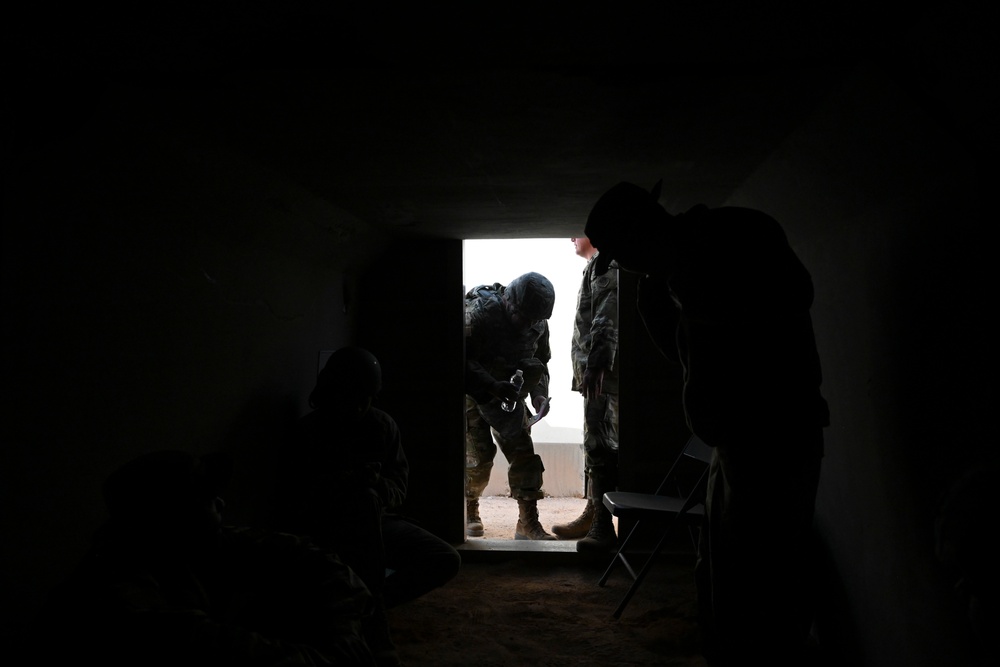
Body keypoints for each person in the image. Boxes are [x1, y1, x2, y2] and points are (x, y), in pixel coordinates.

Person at [585, 181, 830, 666]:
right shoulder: (682, 266)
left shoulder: (726, 240)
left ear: (638, 236)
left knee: (762, 580)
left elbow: (792, 296)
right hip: (738, 442)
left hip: (771, 439)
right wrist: (659, 306)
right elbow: (689, 360)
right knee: (723, 574)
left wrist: (687, 294)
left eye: (622, 253)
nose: (627, 267)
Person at [29, 449, 377, 667]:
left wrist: (344, 634)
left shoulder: (186, 543)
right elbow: (213, 646)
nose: (222, 504)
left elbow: (314, 559)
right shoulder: (118, 592)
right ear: (173, 517)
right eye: (208, 500)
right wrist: (335, 656)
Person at [276, 346, 461, 667]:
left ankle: (360, 607)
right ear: (334, 392)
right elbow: (296, 498)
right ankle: (369, 619)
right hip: (325, 529)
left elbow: (398, 486)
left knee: (445, 559)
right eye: (354, 397)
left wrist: (376, 488)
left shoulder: (381, 427)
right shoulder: (308, 433)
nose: (362, 406)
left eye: (368, 398)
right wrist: (347, 485)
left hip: (378, 522)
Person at [464, 271, 556, 540]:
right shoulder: (479, 313)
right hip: (475, 394)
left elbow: (540, 360)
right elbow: (461, 360)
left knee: (525, 456)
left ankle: (527, 522)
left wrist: (539, 395)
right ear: (509, 302)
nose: (529, 326)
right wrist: (491, 386)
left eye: (535, 320)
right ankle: (470, 507)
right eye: (523, 318)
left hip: (510, 395)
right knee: (478, 461)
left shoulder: (537, 322)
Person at [551, 236, 620, 553]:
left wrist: (597, 363)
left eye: (577, 231)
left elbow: (607, 315)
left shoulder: (608, 264)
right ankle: (594, 513)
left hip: (603, 377)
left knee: (600, 445)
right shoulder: (596, 266)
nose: (571, 238)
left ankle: (602, 528)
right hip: (595, 376)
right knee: (594, 444)